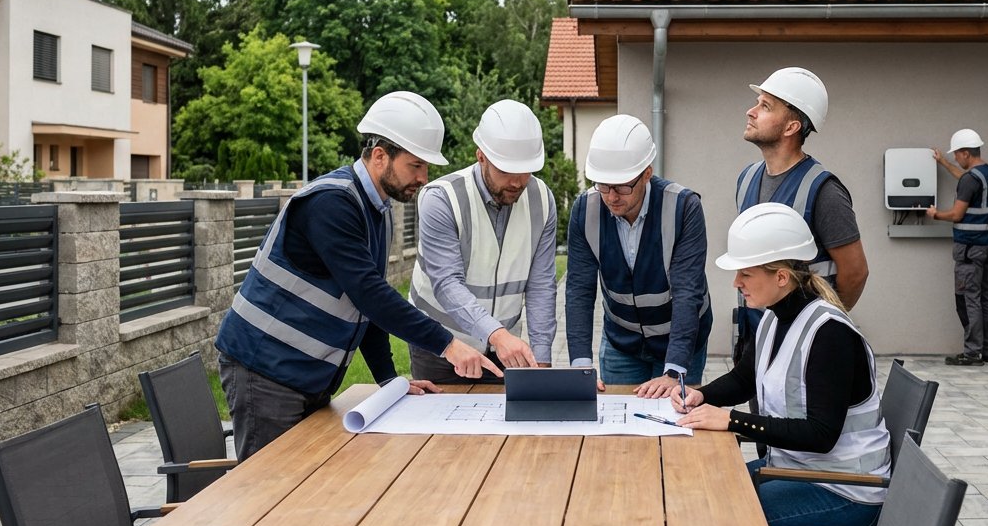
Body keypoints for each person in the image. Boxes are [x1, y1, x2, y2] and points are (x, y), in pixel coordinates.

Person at [215, 91, 502, 460]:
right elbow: (369, 294)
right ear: (380, 155)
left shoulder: (377, 212)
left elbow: (366, 309)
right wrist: (448, 344)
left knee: (302, 488)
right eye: (415, 165)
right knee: (269, 489)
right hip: (265, 369)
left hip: (303, 373)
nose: (423, 177)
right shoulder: (331, 204)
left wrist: (389, 381)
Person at [671, 203, 890, 526]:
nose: (736, 282)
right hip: (805, 472)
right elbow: (744, 379)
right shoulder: (774, 317)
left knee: (728, 515)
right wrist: (703, 396)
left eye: (746, 273)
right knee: (707, 494)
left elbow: (821, 435)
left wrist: (732, 421)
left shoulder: (830, 336)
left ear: (782, 277)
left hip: (849, 493)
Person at [388, 99, 558, 383]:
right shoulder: (441, 199)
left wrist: (541, 360)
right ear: (481, 157)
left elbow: (541, 284)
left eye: (525, 170)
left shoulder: (542, 199)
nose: (517, 181)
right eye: (506, 170)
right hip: (442, 345)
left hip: (504, 349)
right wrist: (497, 334)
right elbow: (446, 283)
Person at [565, 114, 713, 396]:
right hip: (622, 343)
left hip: (681, 342)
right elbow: (578, 290)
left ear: (647, 172)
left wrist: (674, 370)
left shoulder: (683, 208)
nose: (611, 196)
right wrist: (580, 367)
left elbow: (687, 292)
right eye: (603, 184)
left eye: (622, 186)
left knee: (674, 425)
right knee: (619, 430)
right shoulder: (585, 211)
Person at [736, 67, 868, 354]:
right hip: (757, 335)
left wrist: (820, 327)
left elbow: (855, 272)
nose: (751, 111)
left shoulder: (823, 190)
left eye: (765, 106)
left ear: (791, 127)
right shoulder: (746, 179)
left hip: (804, 346)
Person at [926, 128, 988, 366]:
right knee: (984, 297)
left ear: (966, 153)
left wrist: (936, 215)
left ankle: (972, 353)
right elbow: (965, 178)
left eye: (957, 155)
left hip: (970, 248)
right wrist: (944, 163)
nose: (956, 158)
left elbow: (958, 214)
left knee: (967, 299)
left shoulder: (971, 179)